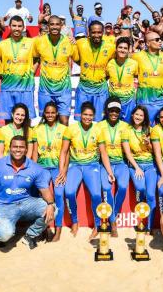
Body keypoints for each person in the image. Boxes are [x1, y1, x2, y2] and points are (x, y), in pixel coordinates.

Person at [0, 136, 56, 250]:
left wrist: (50, 204)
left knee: (54, 210)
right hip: (3, 205)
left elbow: (44, 189)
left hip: (25, 203)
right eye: (15, 147)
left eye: (21, 147)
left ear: (26, 150)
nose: (18, 150)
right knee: (4, 235)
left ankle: (30, 236)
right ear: (9, 148)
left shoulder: (34, 167)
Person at [58, 102, 113, 239]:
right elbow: (63, 152)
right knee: (69, 192)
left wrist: (110, 172)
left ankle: (97, 224)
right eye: (85, 115)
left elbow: (104, 153)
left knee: (96, 195)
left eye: (90, 115)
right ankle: (75, 222)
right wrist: (61, 172)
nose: (87, 117)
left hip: (92, 165)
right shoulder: (71, 129)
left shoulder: (98, 129)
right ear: (80, 115)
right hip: (75, 165)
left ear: (93, 116)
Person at [31, 15, 78, 126]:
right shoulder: (39, 42)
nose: (54, 27)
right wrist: (30, 75)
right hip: (45, 89)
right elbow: (35, 59)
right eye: (52, 24)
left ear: (61, 26)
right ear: (48, 26)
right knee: (45, 121)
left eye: (57, 24)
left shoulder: (69, 42)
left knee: (64, 121)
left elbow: (78, 60)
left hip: (64, 90)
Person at [32, 102, 67, 242]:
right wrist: (34, 170)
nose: (50, 115)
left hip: (57, 168)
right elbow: (35, 151)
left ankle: (58, 230)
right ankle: (44, 229)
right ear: (44, 113)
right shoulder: (37, 129)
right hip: (42, 168)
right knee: (42, 197)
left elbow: (67, 152)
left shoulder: (64, 129)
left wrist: (64, 171)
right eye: (48, 112)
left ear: (57, 113)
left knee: (58, 194)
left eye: (53, 112)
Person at [0, 16, 37, 121]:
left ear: (23, 28)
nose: (17, 28)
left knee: (26, 121)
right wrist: (2, 76)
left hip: (26, 89)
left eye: (19, 26)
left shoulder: (31, 43)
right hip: (7, 89)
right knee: (8, 121)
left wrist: (32, 71)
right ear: (9, 27)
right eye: (14, 26)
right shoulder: (1, 45)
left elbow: (39, 57)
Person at [98, 98, 130, 236]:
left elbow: (128, 149)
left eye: (117, 110)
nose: (114, 113)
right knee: (106, 188)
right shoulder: (99, 126)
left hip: (121, 163)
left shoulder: (125, 126)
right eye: (112, 110)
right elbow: (102, 151)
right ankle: (113, 222)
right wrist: (109, 170)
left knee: (122, 187)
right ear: (107, 110)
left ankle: (113, 216)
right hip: (105, 164)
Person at [122, 106, 157, 230]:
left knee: (151, 195)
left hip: (150, 165)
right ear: (132, 115)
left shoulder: (150, 130)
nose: (138, 117)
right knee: (140, 188)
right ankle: (140, 221)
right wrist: (136, 167)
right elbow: (127, 153)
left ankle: (149, 226)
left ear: (145, 117)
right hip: (135, 165)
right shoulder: (127, 130)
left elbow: (155, 151)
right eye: (136, 114)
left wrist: (149, 145)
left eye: (141, 115)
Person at [74, 21, 116, 121]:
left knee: (99, 122)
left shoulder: (111, 47)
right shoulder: (80, 43)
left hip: (101, 90)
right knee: (82, 121)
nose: (96, 35)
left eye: (99, 32)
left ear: (103, 32)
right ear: (88, 32)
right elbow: (76, 59)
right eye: (93, 32)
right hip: (84, 89)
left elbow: (113, 65)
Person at [132, 32, 163, 124]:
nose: (160, 41)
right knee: (146, 128)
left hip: (161, 100)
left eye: (160, 39)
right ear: (148, 43)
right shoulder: (137, 56)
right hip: (144, 100)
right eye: (156, 40)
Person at [106, 37, 138, 122]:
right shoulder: (110, 63)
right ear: (116, 49)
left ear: (128, 50)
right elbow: (105, 77)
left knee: (127, 127)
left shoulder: (134, 64)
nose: (122, 50)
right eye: (120, 47)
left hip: (129, 101)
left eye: (125, 48)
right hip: (113, 100)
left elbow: (138, 78)